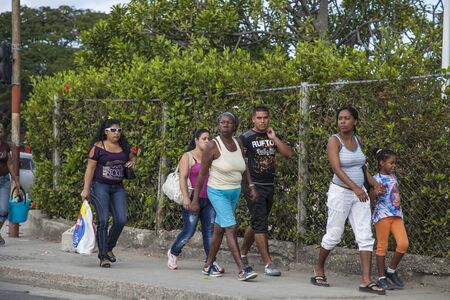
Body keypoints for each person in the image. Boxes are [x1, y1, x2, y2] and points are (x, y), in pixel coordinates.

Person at [310, 105, 386, 295]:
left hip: (359, 194)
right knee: (334, 234)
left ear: (355, 121)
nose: (342, 121)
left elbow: (362, 167)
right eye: (340, 118)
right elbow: (337, 169)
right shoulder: (333, 141)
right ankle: (318, 269)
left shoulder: (358, 140)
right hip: (341, 192)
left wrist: (374, 183)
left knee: (365, 236)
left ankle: (366, 281)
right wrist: (356, 188)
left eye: (347, 118)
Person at [190, 112, 258, 281]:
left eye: (229, 122)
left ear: (235, 125)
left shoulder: (238, 142)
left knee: (220, 229)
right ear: (218, 125)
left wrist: (250, 186)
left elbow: (244, 166)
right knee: (231, 227)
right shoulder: (212, 146)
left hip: (234, 191)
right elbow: (202, 175)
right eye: (222, 122)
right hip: (217, 191)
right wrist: (195, 198)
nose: (225, 124)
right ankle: (242, 270)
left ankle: (207, 265)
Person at [239, 105, 293, 276]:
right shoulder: (246, 137)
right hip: (253, 186)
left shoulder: (272, 136)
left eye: (265, 118)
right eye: (259, 118)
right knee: (261, 223)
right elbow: (241, 163)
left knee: (257, 221)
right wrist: (251, 185)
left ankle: (242, 253)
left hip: (269, 185)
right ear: (253, 119)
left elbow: (288, 154)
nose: (262, 121)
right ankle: (268, 264)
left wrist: (274, 138)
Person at [81, 118, 136, 268]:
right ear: (105, 132)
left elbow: (132, 156)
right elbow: (90, 169)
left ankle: (109, 247)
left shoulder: (123, 147)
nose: (117, 133)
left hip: (117, 187)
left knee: (121, 220)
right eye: (113, 130)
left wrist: (133, 161)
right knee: (103, 220)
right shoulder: (98, 147)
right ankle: (103, 256)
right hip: (100, 187)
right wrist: (86, 189)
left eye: (119, 130)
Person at [167, 129, 224, 273]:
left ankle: (211, 261)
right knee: (189, 231)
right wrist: (186, 198)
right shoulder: (188, 156)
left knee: (209, 232)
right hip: (194, 199)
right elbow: (182, 177)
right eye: (203, 138)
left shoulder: (211, 156)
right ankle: (173, 252)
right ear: (196, 140)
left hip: (210, 199)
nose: (207, 141)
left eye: (208, 138)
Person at [369, 149, 408, 290]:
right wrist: (376, 191)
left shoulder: (393, 177)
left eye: (394, 163)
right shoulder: (375, 179)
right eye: (391, 163)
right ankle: (381, 277)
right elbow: (371, 198)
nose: (394, 165)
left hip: (397, 216)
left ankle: (390, 271)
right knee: (382, 246)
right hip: (382, 217)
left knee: (403, 244)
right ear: (381, 163)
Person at [0, 123, 21, 246]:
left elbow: (10, 164)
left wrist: (16, 181)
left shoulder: (5, 146)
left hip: (4, 181)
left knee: (3, 210)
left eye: (1, 131)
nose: (0, 133)